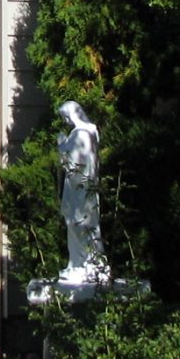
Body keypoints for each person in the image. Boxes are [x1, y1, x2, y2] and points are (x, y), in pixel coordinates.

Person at [56, 100, 107, 284]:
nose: (66, 121)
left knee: (77, 222)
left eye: (65, 117)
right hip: (87, 187)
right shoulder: (91, 132)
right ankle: (81, 262)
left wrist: (61, 145)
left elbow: (73, 164)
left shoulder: (79, 134)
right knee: (85, 224)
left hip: (79, 188)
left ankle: (83, 264)